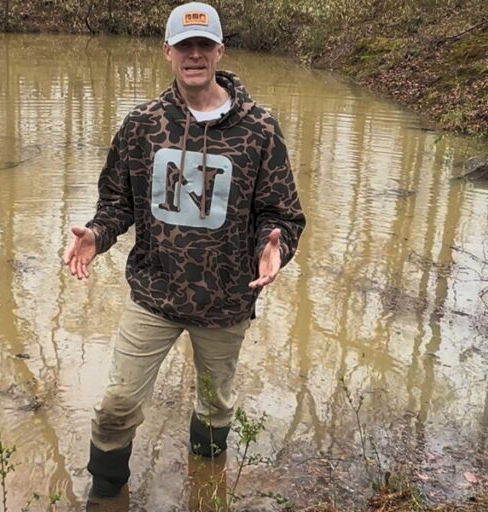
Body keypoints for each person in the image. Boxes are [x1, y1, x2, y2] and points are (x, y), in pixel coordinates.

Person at [62, 1, 307, 500]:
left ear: (219, 50)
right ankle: (106, 495)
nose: (193, 55)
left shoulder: (259, 129)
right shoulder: (142, 125)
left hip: (226, 302)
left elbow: (282, 215)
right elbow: (117, 203)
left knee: (215, 406)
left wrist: (273, 250)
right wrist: (97, 235)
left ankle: (207, 489)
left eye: (203, 45)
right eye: (183, 46)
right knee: (116, 404)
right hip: (154, 293)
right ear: (168, 52)